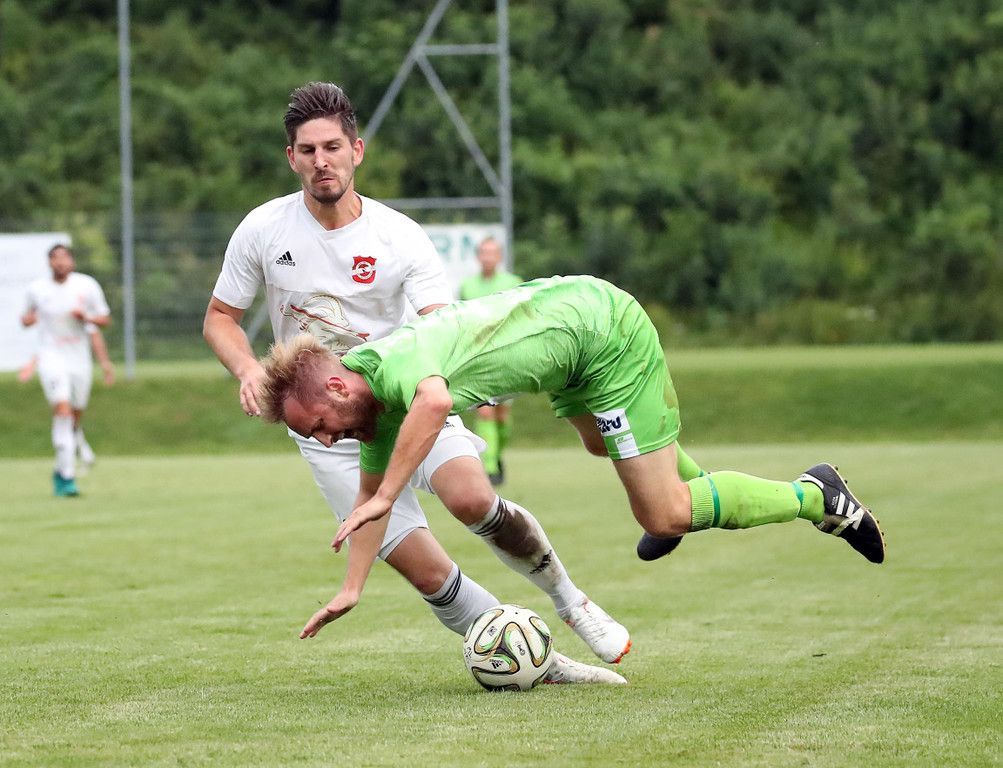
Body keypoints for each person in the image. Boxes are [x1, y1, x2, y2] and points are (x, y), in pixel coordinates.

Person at [203, 82, 629, 683]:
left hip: (408, 400)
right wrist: (249, 368)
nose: (321, 161)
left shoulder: (398, 236)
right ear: (291, 157)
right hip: (325, 426)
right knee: (426, 571)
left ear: (356, 150)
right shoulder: (263, 230)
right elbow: (219, 318)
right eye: (308, 150)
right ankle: (542, 663)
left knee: (472, 498)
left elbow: (441, 329)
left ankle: (570, 600)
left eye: (332, 147)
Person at [254, 275, 886, 631]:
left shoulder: (399, 367)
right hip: (569, 346)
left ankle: (818, 497)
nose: (327, 441)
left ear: (336, 387)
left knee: (663, 512)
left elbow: (436, 403)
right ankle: (680, 483)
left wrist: (392, 491)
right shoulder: (372, 402)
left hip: (603, 337)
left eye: (322, 427)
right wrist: (352, 587)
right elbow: (369, 501)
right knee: (599, 444)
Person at [21, 244, 112, 496]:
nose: (60, 262)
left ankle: (60, 467)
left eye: (65, 257)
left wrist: (87, 318)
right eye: (55, 258)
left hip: (79, 359)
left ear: (72, 261)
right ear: (49, 262)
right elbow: (25, 318)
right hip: (51, 357)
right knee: (62, 410)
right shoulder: (37, 289)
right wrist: (29, 320)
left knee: (74, 417)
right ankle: (66, 476)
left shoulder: (87, 286)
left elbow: (103, 320)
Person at [458, 237, 523, 484]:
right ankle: (490, 466)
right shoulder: (468, 286)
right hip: (478, 357)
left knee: (502, 416)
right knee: (485, 412)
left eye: (492, 252)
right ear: (478, 256)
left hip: (506, 356)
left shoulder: (513, 283)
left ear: (500, 257)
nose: (488, 257)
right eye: (484, 252)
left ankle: (497, 454)